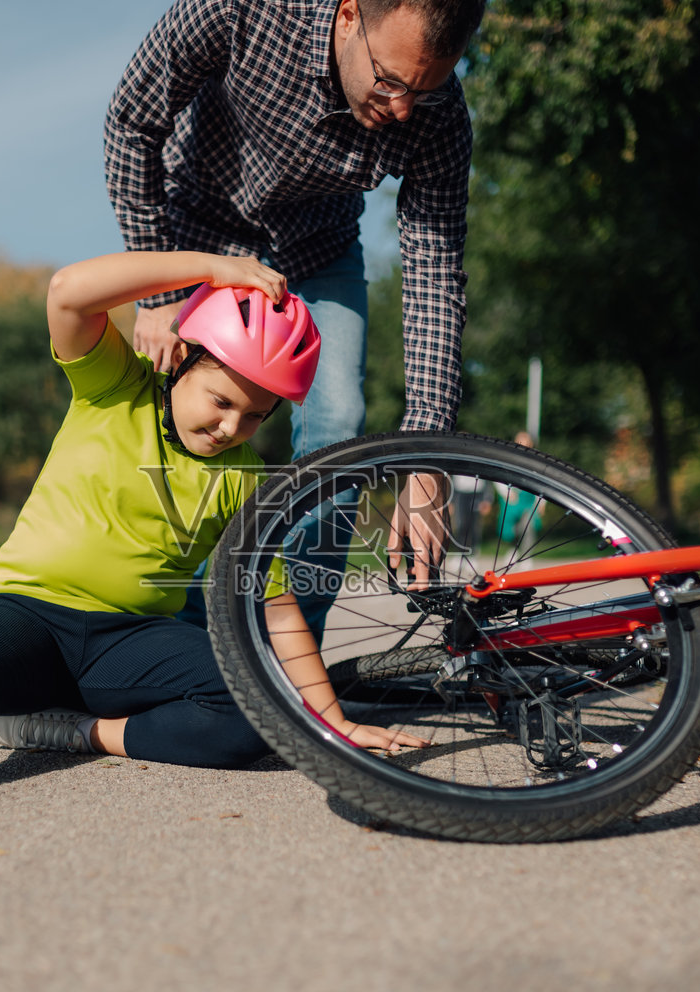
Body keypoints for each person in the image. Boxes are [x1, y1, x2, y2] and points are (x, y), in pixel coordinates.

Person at [0, 251, 427, 830]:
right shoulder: (113, 386)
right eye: (220, 400)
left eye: (253, 417)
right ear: (182, 360)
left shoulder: (242, 478)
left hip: (127, 642)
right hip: (26, 612)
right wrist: (215, 269)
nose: (230, 428)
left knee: (261, 707)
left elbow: (272, 608)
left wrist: (329, 724)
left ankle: (64, 730)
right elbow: (69, 292)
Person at [105, 0, 487, 593]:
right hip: (200, 234)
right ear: (349, 15)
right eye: (388, 81)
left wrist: (426, 451)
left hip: (319, 250)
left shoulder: (439, 118)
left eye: (426, 89)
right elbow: (134, 121)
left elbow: (434, 272)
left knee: (340, 420)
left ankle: (285, 653)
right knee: (190, 420)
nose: (403, 108)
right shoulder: (242, 10)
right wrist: (156, 288)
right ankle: (173, 622)